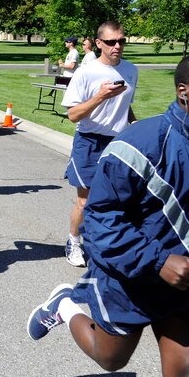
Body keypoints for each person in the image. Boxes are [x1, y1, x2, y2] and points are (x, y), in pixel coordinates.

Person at [27, 52, 189, 377]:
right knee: (110, 359)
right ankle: (66, 304)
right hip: (130, 281)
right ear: (184, 92)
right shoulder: (137, 145)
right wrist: (158, 262)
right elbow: (100, 222)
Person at [61, 21, 138, 267]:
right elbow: (73, 115)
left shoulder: (131, 70)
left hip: (119, 142)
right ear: (99, 43)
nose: (117, 46)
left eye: (122, 41)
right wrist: (100, 96)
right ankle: (74, 240)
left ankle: (106, 243)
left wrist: (135, 125)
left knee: (118, 200)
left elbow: (126, 106)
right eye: (111, 42)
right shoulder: (86, 72)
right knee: (86, 200)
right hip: (90, 141)